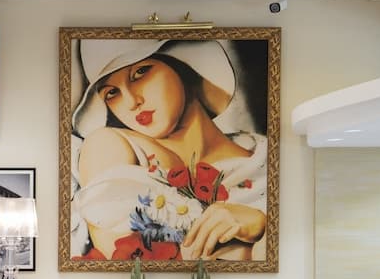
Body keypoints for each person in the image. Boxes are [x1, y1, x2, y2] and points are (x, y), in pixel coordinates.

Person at [71, 38, 267, 262]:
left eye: (140, 72)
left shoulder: (266, 155)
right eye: (112, 93)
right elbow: (127, 263)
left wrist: (261, 224)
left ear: (180, 63)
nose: (132, 101)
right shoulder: (110, 144)